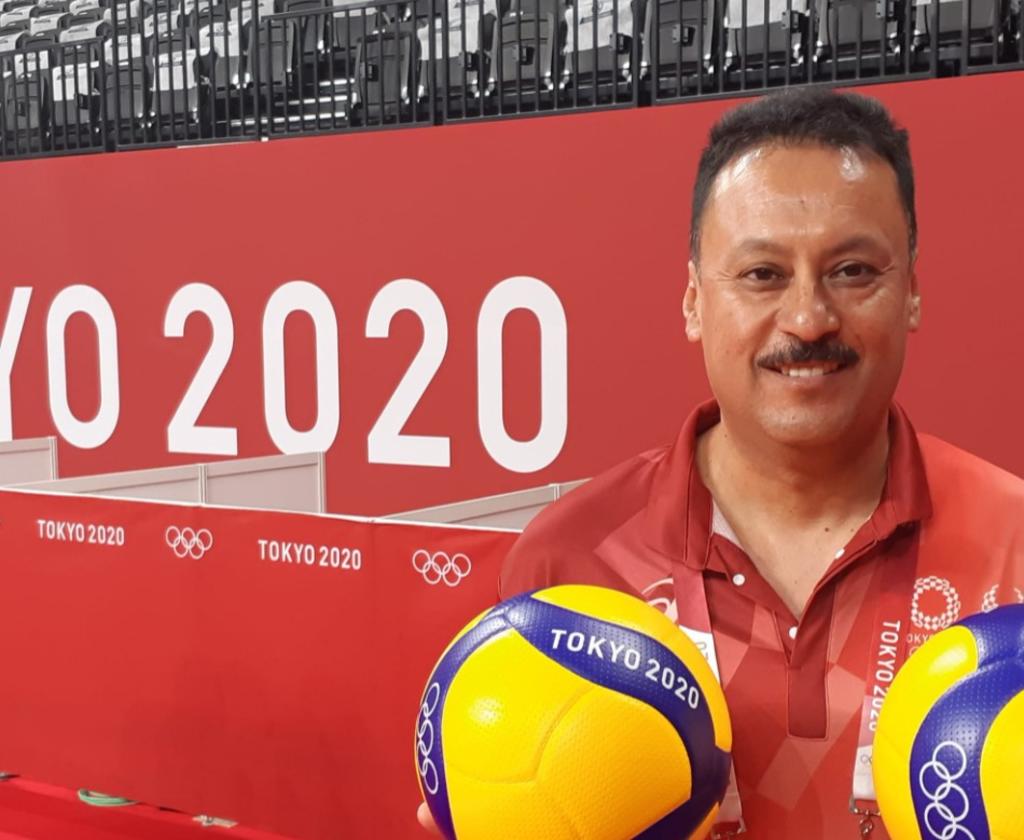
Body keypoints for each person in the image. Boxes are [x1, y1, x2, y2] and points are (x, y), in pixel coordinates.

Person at [420, 87, 1024, 838]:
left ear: (912, 293)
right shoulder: (569, 564)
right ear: (693, 301)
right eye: (762, 274)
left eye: (852, 271)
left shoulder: (1014, 541)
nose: (808, 319)